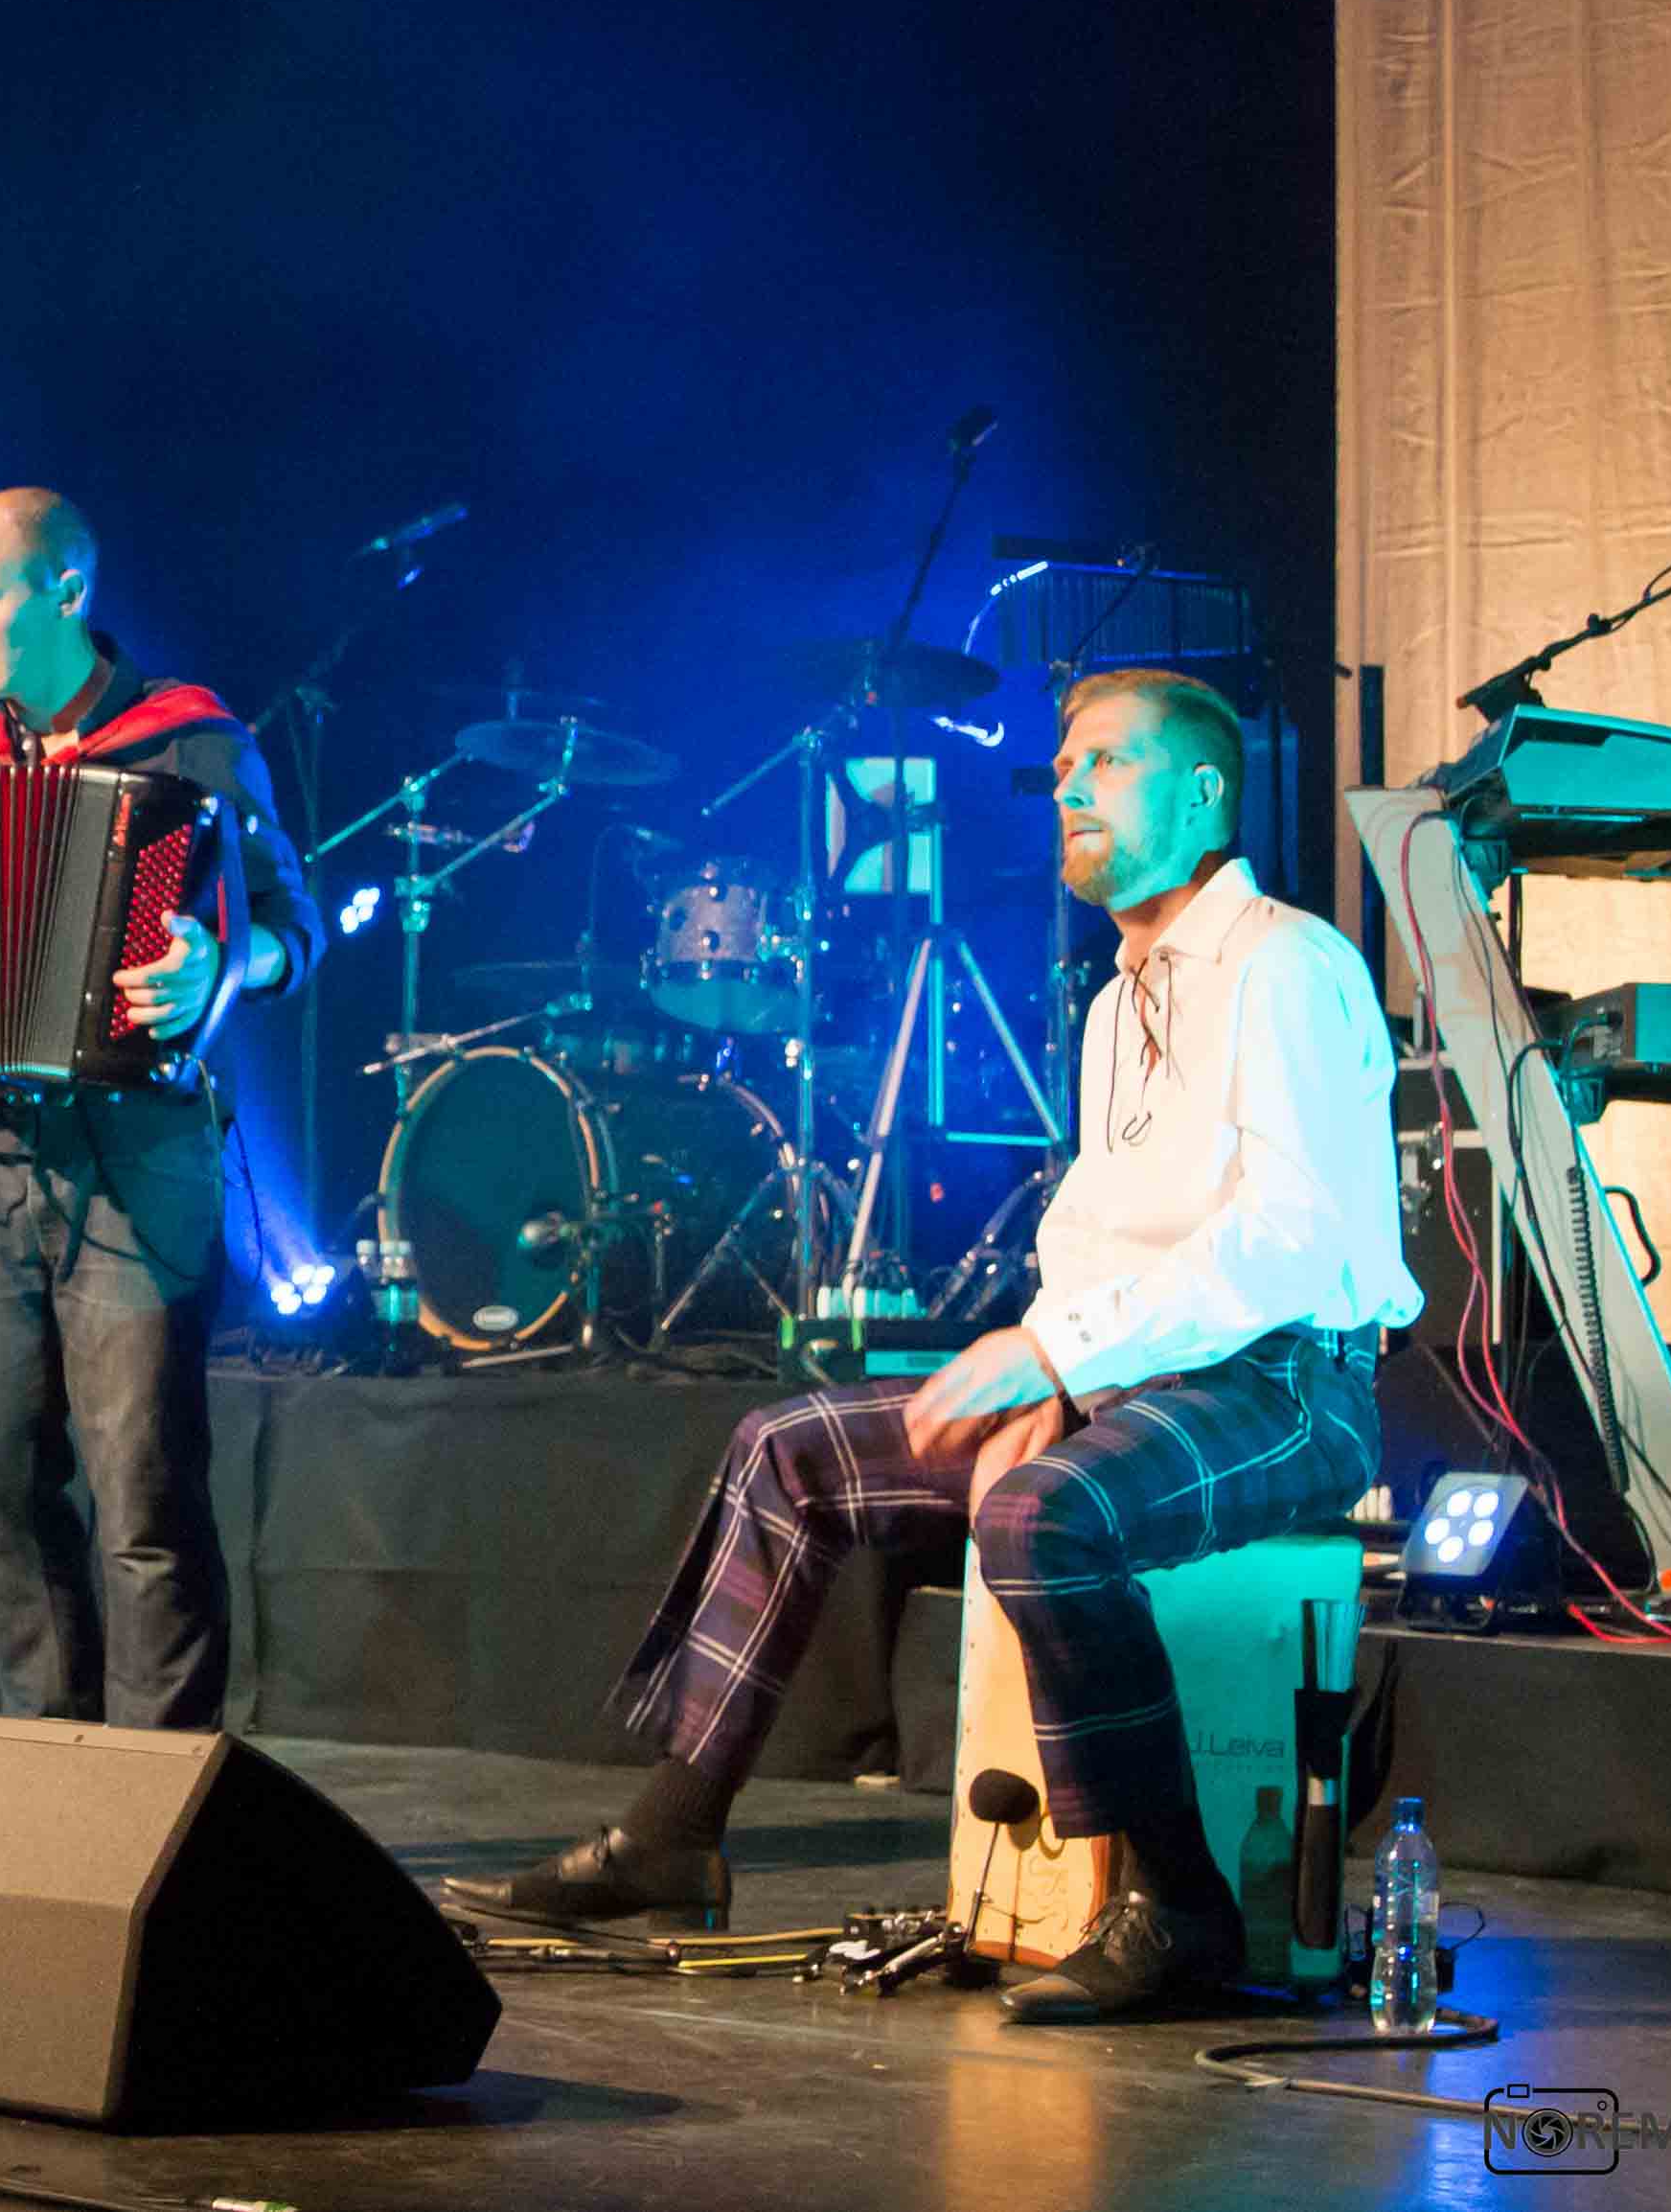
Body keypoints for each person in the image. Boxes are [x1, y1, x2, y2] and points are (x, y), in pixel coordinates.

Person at [465, 665, 1419, 2021]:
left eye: (1107, 762)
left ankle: (1181, 1908)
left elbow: (1289, 1237)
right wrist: (1057, 1370)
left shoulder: (1285, 963)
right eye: (1064, 769)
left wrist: (1059, 1358)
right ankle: (672, 1833)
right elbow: (1094, 1229)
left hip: (1289, 1386)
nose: (1070, 788)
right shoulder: (1117, 1000)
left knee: (1040, 1514)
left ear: (1206, 790)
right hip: (1138, 1376)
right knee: (786, 1447)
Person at [0, 487, 319, 1730]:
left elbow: (294, 927)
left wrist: (224, 964)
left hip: (139, 1154)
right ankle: (44, 1770)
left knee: (142, 1500)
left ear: (65, 590)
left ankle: (153, 1793)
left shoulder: (192, 740)